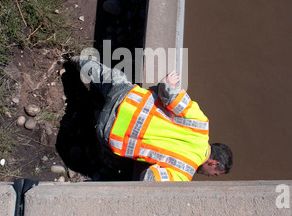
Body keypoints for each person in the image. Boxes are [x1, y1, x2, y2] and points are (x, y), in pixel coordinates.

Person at [69, 55, 233, 181]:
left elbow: (170, 94)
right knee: (113, 161)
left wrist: (167, 84)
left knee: (109, 77)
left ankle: (75, 59)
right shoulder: (184, 173)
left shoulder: (201, 124)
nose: (209, 176)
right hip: (109, 131)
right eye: (214, 174)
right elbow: (148, 179)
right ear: (213, 163)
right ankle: (94, 117)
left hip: (126, 97)